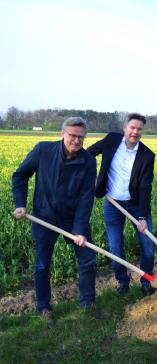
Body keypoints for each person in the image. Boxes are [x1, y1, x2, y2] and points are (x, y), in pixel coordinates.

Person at [12, 117, 97, 324]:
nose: (76, 141)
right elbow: (20, 175)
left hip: (72, 218)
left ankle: (87, 304)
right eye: (72, 135)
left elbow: (86, 197)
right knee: (42, 265)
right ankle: (44, 307)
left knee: (87, 259)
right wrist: (20, 203)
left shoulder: (88, 161)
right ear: (62, 133)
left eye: (81, 137)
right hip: (44, 217)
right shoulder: (43, 151)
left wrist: (79, 230)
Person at [87, 113, 156, 296]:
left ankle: (147, 281)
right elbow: (88, 154)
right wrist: (90, 176)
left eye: (139, 129)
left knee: (147, 246)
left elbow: (145, 188)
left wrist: (142, 217)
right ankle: (122, 281)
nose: (135, 131)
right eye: (132, 127)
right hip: (113, 203)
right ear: (125, 127)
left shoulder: (147, 155)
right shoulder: (111, 140)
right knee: (115, 247)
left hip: (135, 205)